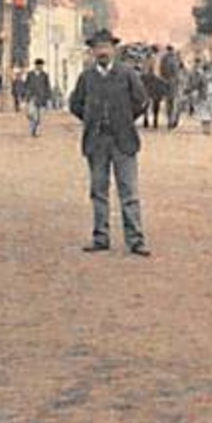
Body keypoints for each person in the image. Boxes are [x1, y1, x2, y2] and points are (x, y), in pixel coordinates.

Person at [69, 28, 151, 257]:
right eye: (98, 47)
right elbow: (75, 104)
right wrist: (92, 120)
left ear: (113, 49)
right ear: (92, 51)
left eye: (106, 47)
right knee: (98, 191)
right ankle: (100, 237)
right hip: (96, 142)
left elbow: (141, 101)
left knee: (129, 192)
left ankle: (136, 240)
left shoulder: (127, 74)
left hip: (123, 141)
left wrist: (124, 120)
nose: (102, 51)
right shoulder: (87, 77)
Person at [23, 58, 52, 137]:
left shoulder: (45, 75)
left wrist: (49, 98)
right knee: (32, 114)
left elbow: (47, 87)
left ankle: (36, 130)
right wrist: (26, 96)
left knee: (40, 116)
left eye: (41, 65)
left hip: (42, 99)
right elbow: (26, 85)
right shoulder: (30, 74)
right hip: (32, 97)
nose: (40, 66)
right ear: (36, 65)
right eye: (39, 65)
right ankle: (33, 126)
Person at [194, 61, 212, 135]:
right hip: (207, 95)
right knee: (206, 112)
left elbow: (196, 85)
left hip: (209, 95)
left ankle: (206, 129)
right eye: (209, 69)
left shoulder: (210, 77)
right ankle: (206, 129)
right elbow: (197, 85)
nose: (209, 70)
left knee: (207, 112)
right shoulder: (205, 77)